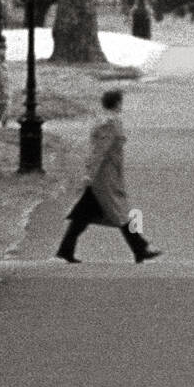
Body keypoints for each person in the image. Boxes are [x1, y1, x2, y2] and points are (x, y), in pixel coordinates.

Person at [56, 89, 161, 263]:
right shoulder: (109, 123)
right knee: (120, 211)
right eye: (121, 102)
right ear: (117, 103)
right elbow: (100, 151)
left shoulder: (109, 121)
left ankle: (66, 248)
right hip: (104, 177)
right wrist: (89, 175)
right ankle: (139, 248)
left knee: (83, 215)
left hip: (106, 175)